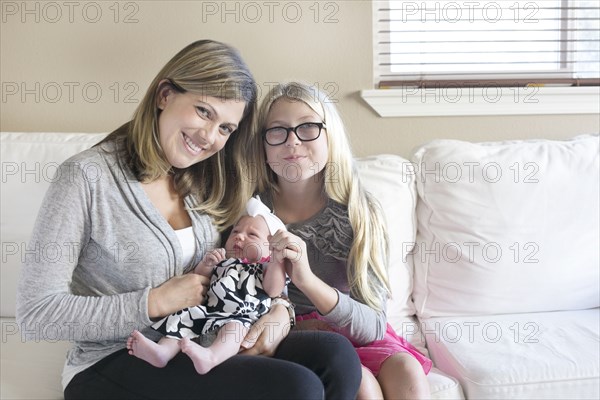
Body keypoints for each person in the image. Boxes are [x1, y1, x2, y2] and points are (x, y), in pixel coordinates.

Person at [16, 41, 361, 399]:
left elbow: (250, 265)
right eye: (203, 111)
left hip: (200, 342)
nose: (209, 137)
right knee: (297, 387)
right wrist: (153, 302)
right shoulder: (86, 177)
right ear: (165, 94)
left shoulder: (208, 179)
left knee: (336, 357)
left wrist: (281, 310)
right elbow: (36, 313)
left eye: (226, 128)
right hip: (114, 360)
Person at [252, 81, 433, 399]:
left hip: (356, 329)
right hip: (299, 341)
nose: (292, 141)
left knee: (408, 372)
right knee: (361, 384)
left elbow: (374, 324)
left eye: (307, 127)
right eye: (278, 131)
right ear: (263, 144)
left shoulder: (360, 213)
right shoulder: (254, 214)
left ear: (329, 134)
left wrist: (308, 281)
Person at [127, 197, 288, 375]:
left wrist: (276, 261)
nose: (239, 236)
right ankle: (162, 352)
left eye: (252, 235)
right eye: (235, 231)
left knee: (234, 330)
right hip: (208, 312)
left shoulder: (264, 267)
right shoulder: (224, 261)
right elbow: (199, 280)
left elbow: (274, 290)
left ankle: (211, 357)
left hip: (241, 317)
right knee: (183, 318)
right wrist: (207, 264)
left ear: (270, 247)